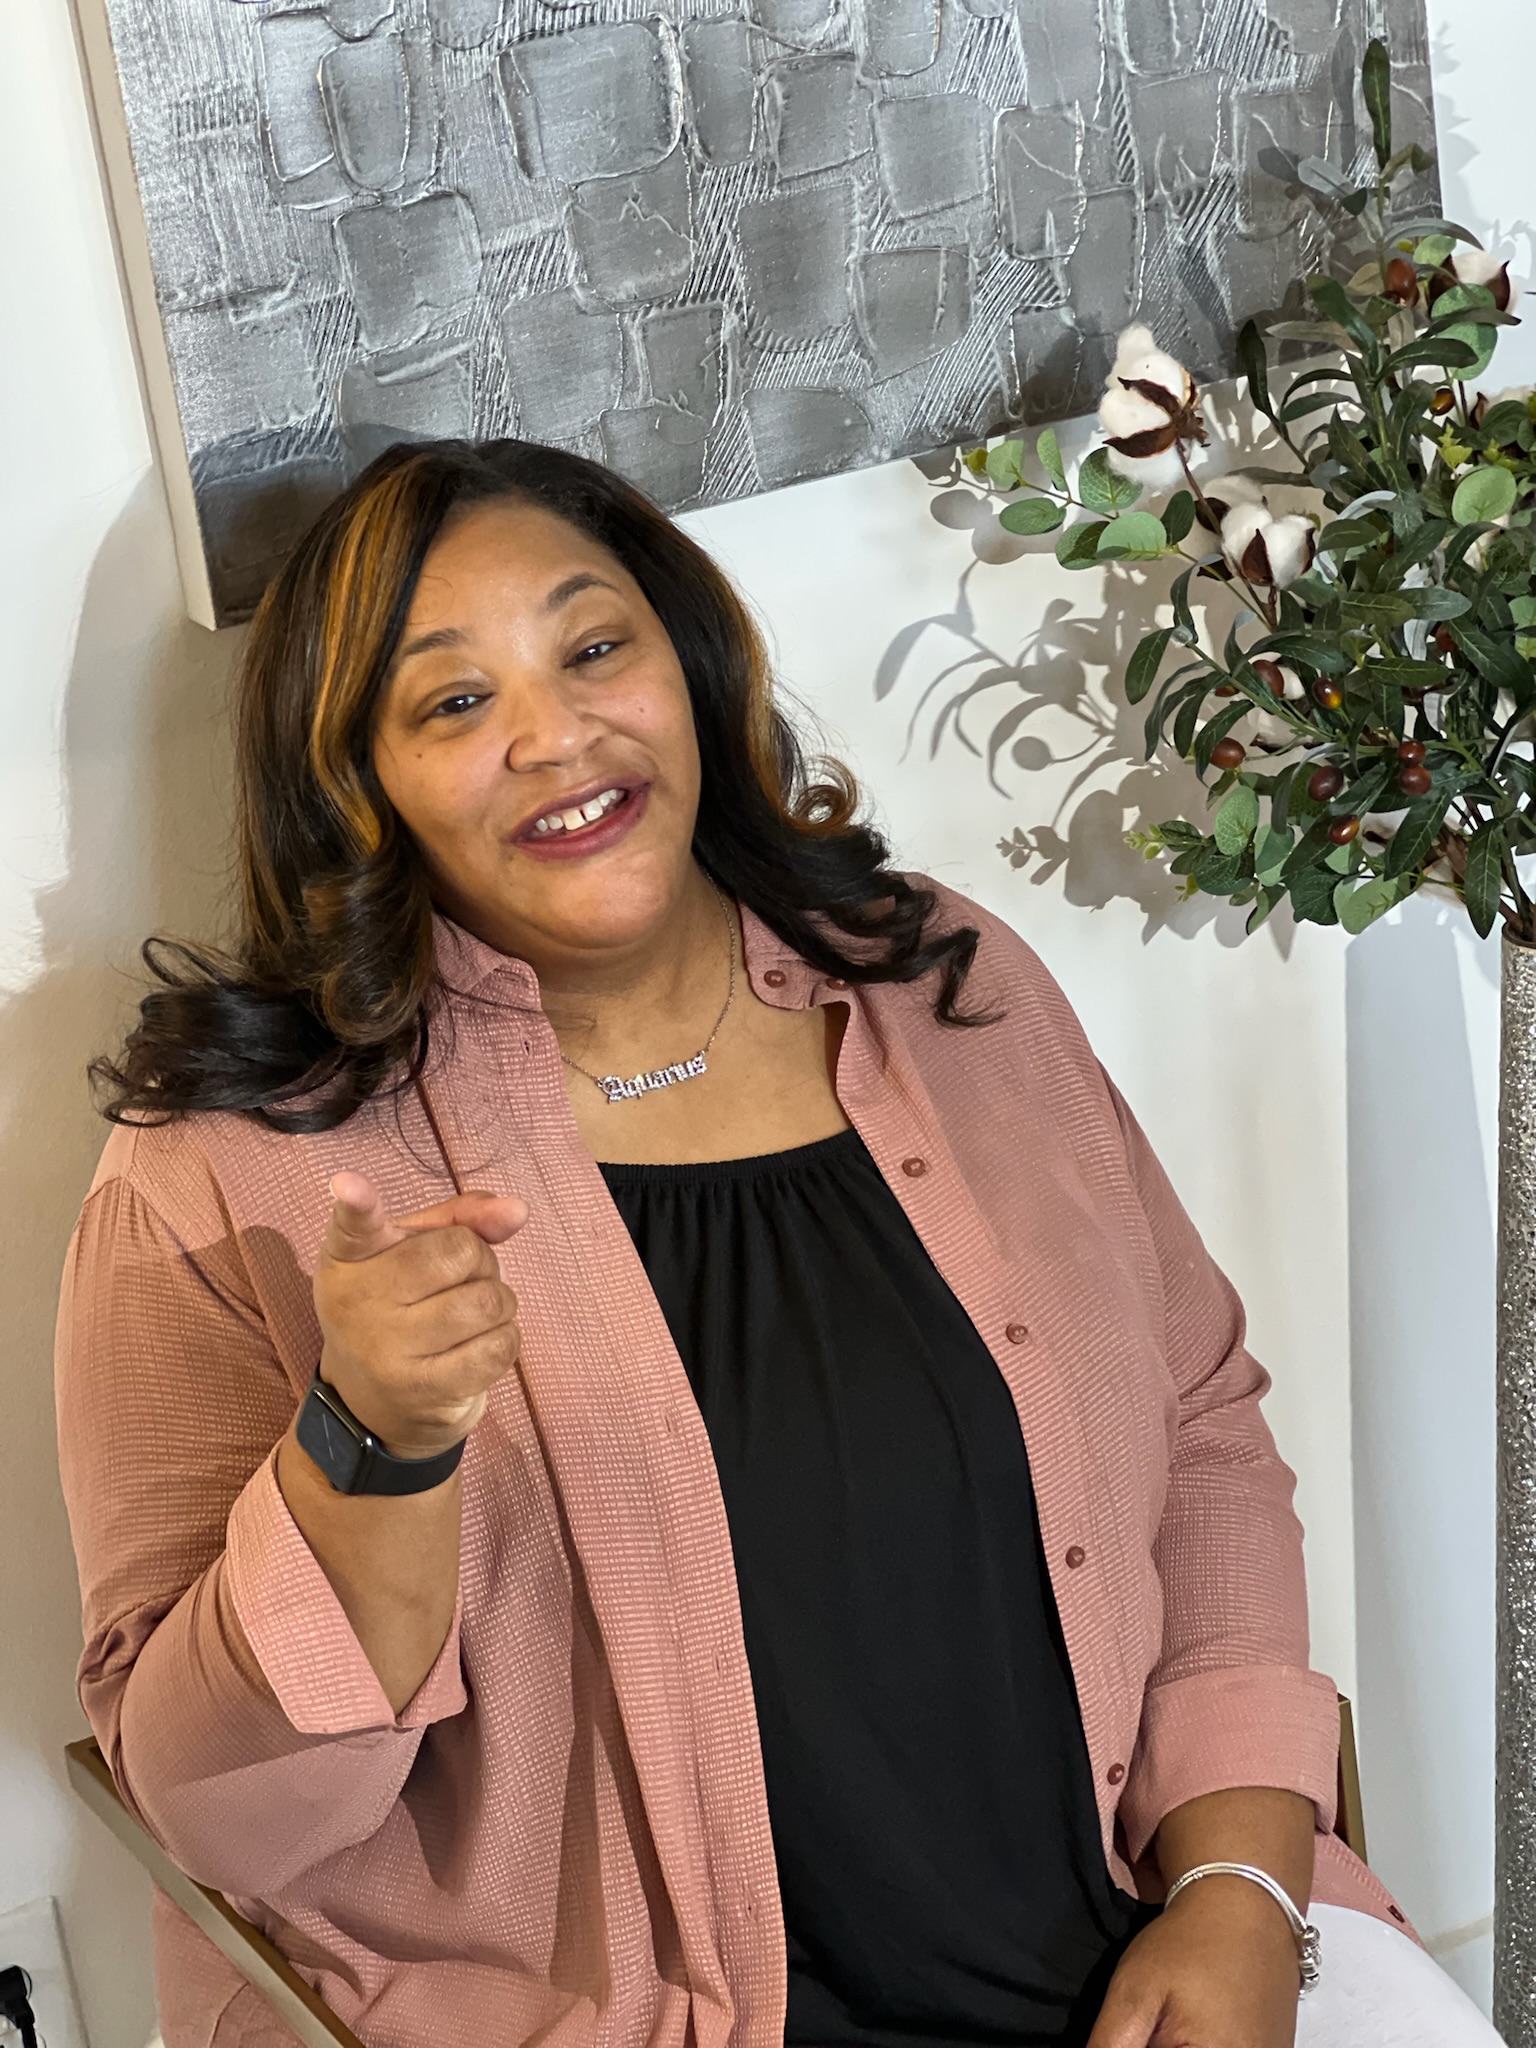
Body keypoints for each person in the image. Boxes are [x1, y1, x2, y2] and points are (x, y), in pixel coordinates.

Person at [56, 440, 1499, 2048]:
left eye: (593, 647)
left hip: (1141, 1958)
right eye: (453, 702)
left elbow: (1203, 1433)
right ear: (353, 785)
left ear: (689, 662)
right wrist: (368, 1445)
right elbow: (222, 1821)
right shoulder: (226, 1174)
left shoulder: (944, 983)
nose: (555, 736)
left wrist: (1238, 1888)